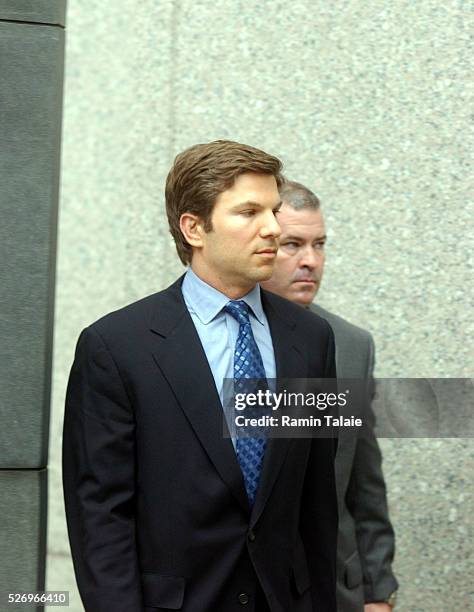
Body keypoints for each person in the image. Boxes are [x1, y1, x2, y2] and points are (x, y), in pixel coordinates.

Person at [62, 141, 339, 612]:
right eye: (249, 212)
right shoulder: (117, 346)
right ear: (194, 228)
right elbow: (101, 516)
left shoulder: (311, 339)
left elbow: (317, 503)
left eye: (272, 210)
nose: (273, 228)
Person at [261, 181, 398, 612]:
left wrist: (378, 592)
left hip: (330, 590)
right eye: (293, 245)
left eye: (319, 245)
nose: (311, 262)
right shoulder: (217, 341)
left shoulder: (351, 345)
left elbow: (363, 481)